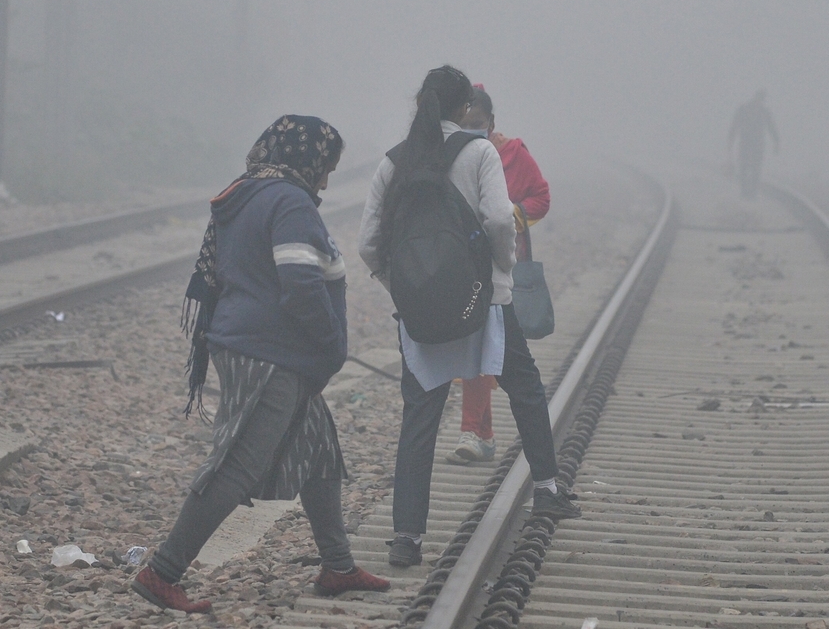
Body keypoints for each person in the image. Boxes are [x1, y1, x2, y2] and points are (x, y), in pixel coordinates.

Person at [132, 116, 388, 614]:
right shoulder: (288, 201)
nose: (326, 180)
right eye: (325, 167)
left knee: (317, 452)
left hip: (255, 344)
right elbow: (299, 284)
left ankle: (337, 567)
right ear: (306, 159)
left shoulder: (248, 191)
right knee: (236, 465)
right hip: (271, 352)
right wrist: (332, 345)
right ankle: (161, 572)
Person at [358, 66, 580, 570]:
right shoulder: (479, 152)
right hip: (486, 301)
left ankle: (407, 539)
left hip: (418, 310)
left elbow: (369, 242)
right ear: (464, 109)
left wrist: (404, 287)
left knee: (420, 415)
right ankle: (546, 489)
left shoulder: (394, 161)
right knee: (523, 386)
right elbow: (502, 219)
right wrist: (499, 270)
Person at [445, 84, 551, 466]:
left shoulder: (512, 153)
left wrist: (508, 216)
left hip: (502, 267)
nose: (471, 129)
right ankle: (479, 434)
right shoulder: (449, 153)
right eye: (464, 123)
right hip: (462, 265)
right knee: (480, 348)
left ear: (492, 122)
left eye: (478, 123)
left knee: (490, 351)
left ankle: (478, 434)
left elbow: (541, 197)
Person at [727, 89, 779, 199]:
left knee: (747, 168)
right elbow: (771, 128)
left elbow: (734, 126)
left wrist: (730, 141)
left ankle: (746, 192)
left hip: (748, 143)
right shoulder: (762, 111)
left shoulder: (745, 109)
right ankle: (750, 193)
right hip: (755, 144)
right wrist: (776, 142)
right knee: (753, 168)